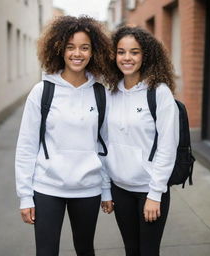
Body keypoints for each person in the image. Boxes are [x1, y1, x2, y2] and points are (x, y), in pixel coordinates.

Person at [15, 15, 113, 256]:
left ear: (93, 52)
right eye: (70, 47)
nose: (76, 53)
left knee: (85, 250)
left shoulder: (100, 94)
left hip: (87, 189)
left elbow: (105, 146)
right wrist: (25, 196)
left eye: (84, 47)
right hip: (47, 187)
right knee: (46, 252)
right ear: (59, 49)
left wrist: (106, 189)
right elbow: (26, 146)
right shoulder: (42, 91)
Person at [105, 26, 179, 256]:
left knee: (148, 252)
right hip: (120, 189)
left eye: (134, 52)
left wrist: (155, 194)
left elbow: (168, 146)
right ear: (113, 55)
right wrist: (106, 188)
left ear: (145, 55)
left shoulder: (159, 93)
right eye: (121, 52)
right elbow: (104, 143)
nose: (127, 58)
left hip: (149, 189)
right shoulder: (109, 93)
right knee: (131, 249)